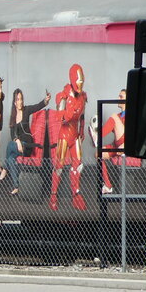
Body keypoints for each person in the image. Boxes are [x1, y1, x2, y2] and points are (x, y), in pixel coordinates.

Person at [51, 63, 88, 211]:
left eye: (82, 79)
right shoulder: (65, 94)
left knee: (78, 164)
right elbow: (58, 116)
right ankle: (53, 196)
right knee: (59, 166)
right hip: (65, 135)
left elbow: (83, 115)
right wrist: (68, 114)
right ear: (73, 79)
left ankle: (76, 195)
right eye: (78, 79)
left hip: (75, 134)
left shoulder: (83, 96)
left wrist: (82, 130)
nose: (80, 82)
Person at [4, 86, 50, 195]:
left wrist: (45, 100)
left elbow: (38, 106)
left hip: (27, 145)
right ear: (14, 102)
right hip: (19, 146)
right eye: (17, 100)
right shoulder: (13, 117)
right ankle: (16, 186)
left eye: (21, 99)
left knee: (10, 145)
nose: (20, 102)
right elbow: (12, 135)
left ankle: (5, 168)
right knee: (11, 158)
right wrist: (17, 141)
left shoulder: (26, 110)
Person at [99, 88, 127, 193]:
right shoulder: (119, 116)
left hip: (127, 146)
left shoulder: (133, 114)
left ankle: (97, 135)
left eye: (121, 97)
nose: (118, 98)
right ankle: (108, 185)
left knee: (114, 117)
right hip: (117, 146)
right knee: (98, 153)